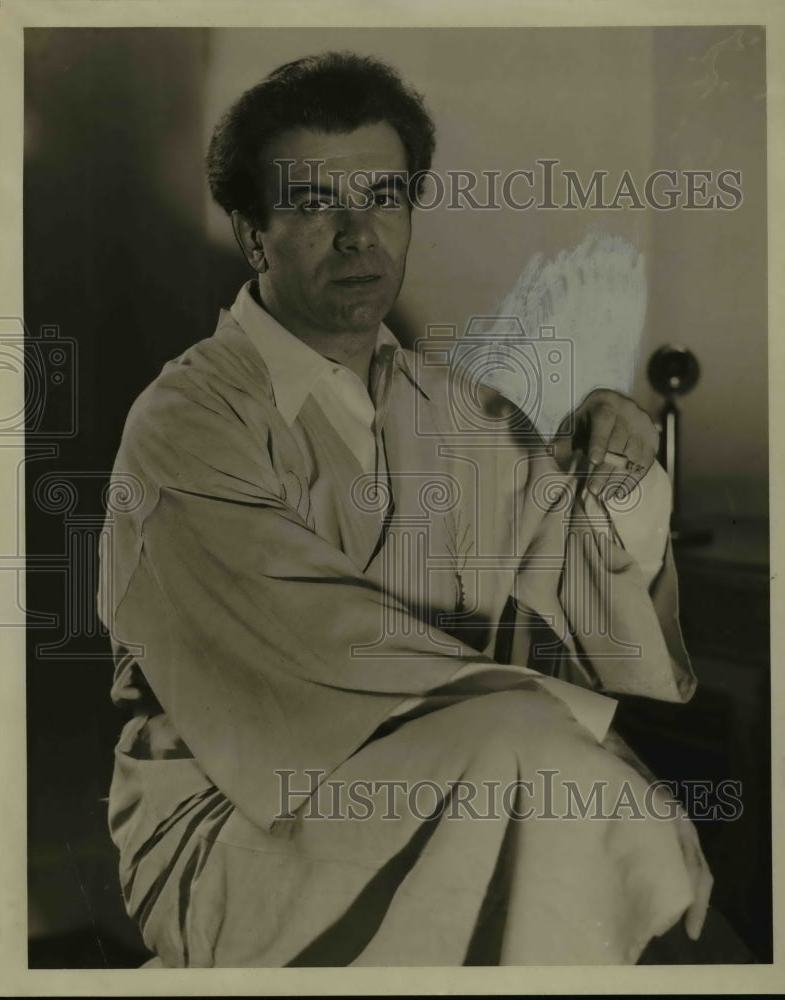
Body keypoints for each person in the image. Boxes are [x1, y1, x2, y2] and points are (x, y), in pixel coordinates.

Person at [99, 51, 714, 967]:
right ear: (252, 232)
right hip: (231, 816)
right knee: (537, 758)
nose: (359, 236)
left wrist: (612, 473)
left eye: (385, 196)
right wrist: (555, 729)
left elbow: (589, 599)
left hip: (457, 761)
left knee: (541, 763)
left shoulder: (461, 411)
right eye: (313, 205)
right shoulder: (187, 419)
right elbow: (305, 639)